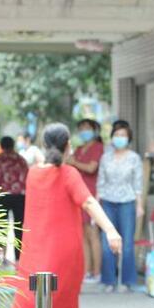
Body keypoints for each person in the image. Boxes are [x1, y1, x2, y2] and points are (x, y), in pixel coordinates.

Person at [7, 123, 122, 308]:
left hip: (34, 252)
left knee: (34, 300)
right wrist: (111, 231)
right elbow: (89, 203)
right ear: (68, 145)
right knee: (66, 305)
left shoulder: (34, 174)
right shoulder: (69, 174)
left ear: (44, 145)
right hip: (65, 253)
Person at [96, 120, 144, 292]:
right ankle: (109, 281)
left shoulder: (134, 158)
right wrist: (97, 205)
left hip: (127, 203)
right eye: (117, 135)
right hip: (107, 203)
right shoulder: (105, 157)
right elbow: (100, 183)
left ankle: (127, 281)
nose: (120, 138)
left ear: (128, 138)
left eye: (123, 135)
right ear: (112, 137)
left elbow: (138, 184)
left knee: (128, 244)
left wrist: (139, 205)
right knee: (107, 243)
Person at [66, 119, 105, 284]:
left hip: (93, 193)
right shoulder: (80, 149)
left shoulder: (98, 147)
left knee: (92, 233)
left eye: (87, 128)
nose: (84, 131)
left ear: (95, 130)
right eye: (81, 129)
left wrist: (74, 162)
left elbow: (91, 168)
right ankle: (87, 271)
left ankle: (97, 272)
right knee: (82, 234)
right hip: (78, 194)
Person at [0, 136, 29, 262]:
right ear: (13, 146)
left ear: (1, 146)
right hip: (20, 197)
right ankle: (19, 258)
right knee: (19, 227)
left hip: (1, 196)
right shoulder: (21, 159)